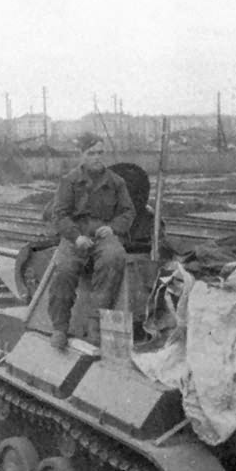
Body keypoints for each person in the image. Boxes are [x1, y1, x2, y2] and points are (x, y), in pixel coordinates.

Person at [48, 134, 135, 351]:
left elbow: (127, 211)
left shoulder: (116, 182)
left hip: (102, 234)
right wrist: (75, 236)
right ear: (82, 155)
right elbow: (59, 214)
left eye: (99, 153)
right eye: (91, 153)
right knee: (64, 270)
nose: (97, 157)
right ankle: (60, 327)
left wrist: (113, 227)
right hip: (75, 235)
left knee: (114, 257)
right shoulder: (69, 181)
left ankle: (96, 324)